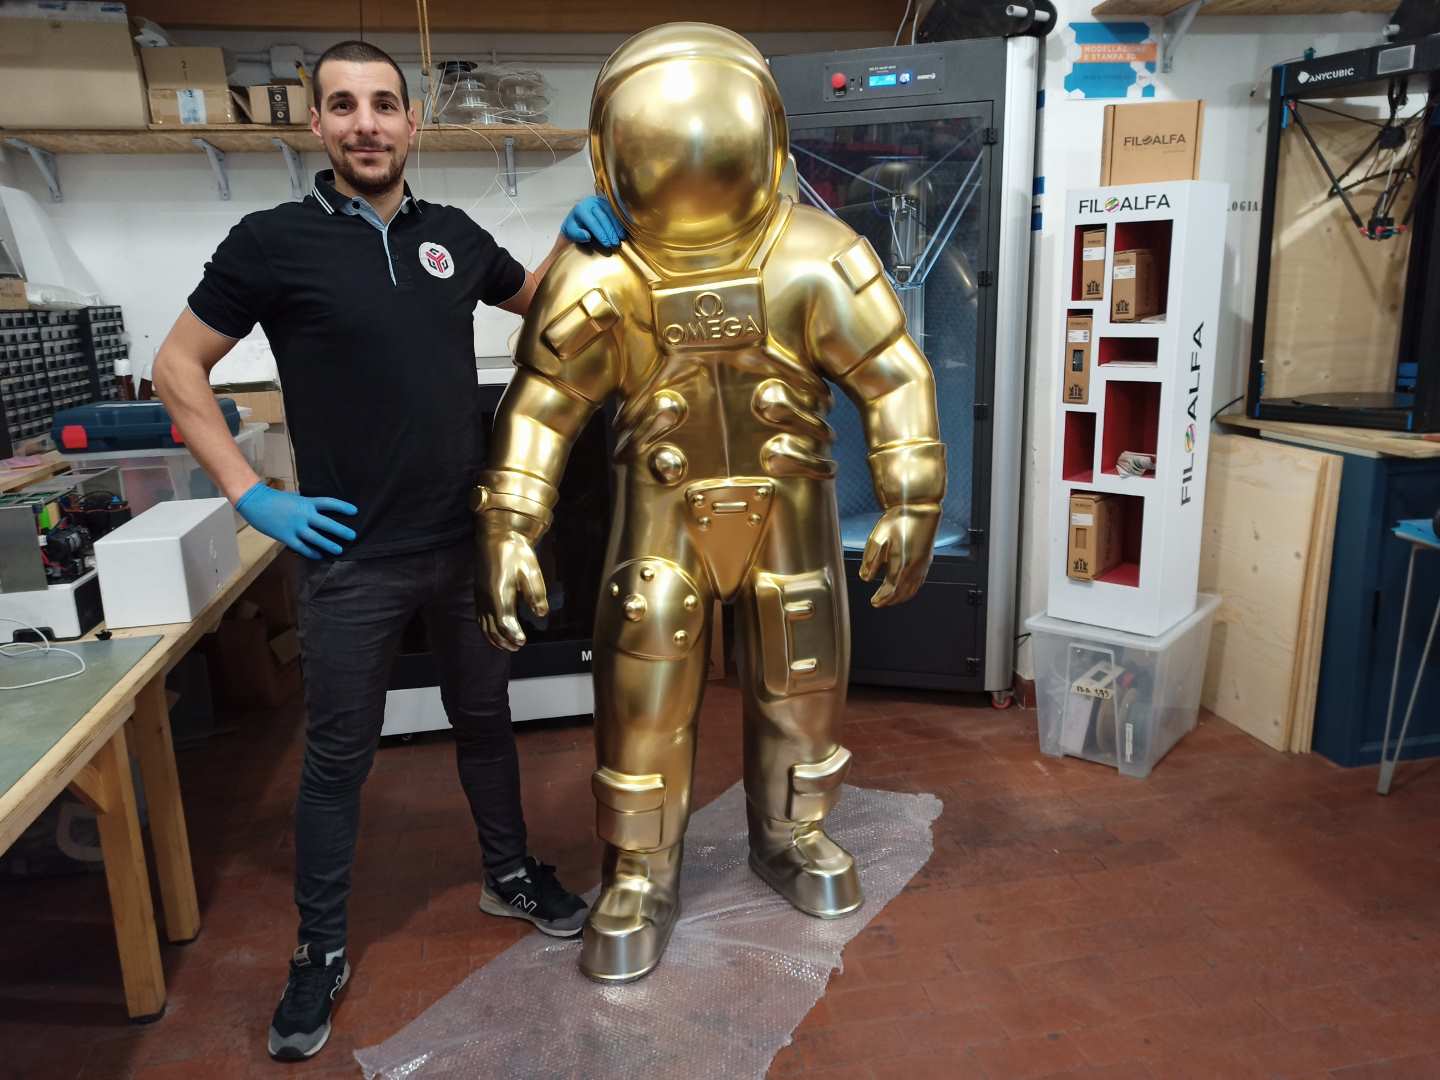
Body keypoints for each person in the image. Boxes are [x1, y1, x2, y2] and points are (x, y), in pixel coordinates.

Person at [152, 39, 625, 1062]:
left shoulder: (452, 235)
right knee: (337, 759)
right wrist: (252, 496)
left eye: (382, 104)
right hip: (349, 558)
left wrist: (576, 235)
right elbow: (178, 366)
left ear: (413, 122)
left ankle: (509, 875)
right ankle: (320, 947)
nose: (365, 123)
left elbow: (539, 302)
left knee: (486, 721)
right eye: (343, 105)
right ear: (316, 124)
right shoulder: (270, 243)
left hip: (464, 541)